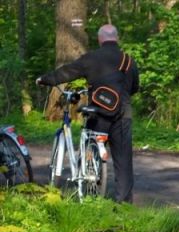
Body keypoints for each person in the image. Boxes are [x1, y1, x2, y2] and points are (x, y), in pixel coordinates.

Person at [37, 24, 139, 203]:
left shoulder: (91, 58)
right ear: (117, 38)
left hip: (98, 113)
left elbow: (67, 72)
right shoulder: (128, 61)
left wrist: (45, 79)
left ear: (100, 39)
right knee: (123, 161)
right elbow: (135, 87)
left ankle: (90, 186)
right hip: (123, 114)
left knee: (91, 147)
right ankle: (124, 203)